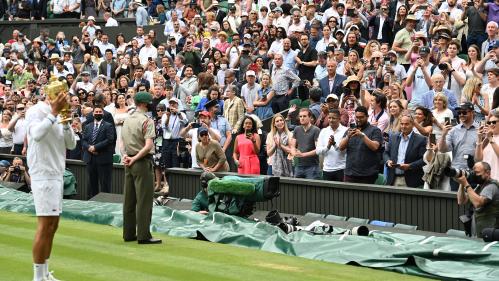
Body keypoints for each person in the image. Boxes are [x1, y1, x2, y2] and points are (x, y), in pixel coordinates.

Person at [26, 89, 76, 281]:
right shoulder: (35, 111)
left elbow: (71, 145)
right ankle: (37, 277)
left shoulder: (61, 113)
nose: (65, 100)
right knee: (45, 224)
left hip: (57, 173)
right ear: (50, 96)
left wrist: (65, 123)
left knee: (53, 225)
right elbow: (37, 135)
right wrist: (53, 113)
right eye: (61, 96)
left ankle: (45, 274)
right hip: (42, 173)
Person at [121, 91, 161, 244]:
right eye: (150, 102)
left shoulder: (128, 119)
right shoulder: (147, 120)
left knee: (129, 200)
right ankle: (144, 235)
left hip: (128, 162)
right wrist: (135, 158)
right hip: (141, 162)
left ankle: (128, 234)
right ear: (145, 103)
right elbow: (149, 145)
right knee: (144, 201)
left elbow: (121, 142)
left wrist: (126, 156)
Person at [439, 102, 479, 191]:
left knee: (474, 202)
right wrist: (443, 135)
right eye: (459, 113)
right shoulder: (453, 130)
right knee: (456, 202)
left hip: (475, 172)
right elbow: (442, 149)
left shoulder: (479, 129)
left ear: (472, 113)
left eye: (464, 112)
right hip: (457, 172)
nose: (461, 115)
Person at [339, 106, 383, 184]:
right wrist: (348, 137)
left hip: (368, 174)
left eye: (361, 117)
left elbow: (375, 147)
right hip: (350, 173)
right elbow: (341, 147)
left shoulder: (375, 130)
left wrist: (362, 135)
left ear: (367, 116)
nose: (358, 119)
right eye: (357, 117)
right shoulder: (350, 130)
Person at [456, 161, 499, 238]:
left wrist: (466, 184)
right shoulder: (479, 187)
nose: (475, 175)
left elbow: (478, 203)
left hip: (491, 233)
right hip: (480, 231)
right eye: (473, 172)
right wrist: (461, 184)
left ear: (487, 173)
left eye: (477, 173)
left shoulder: (491, 186)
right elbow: (461, 200)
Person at [384, 114, 427, 188]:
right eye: (402, 124)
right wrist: (388, 161)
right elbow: (386, 153)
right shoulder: (393, 137)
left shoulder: (420, 139)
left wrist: (410, 166)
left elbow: (424, 160)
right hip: (393, 179)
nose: (403, 126)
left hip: (411, 180)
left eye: (406, 124)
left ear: (412, 125)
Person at [82, 106, 115, 199]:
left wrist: (95, 147)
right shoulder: (88, 126)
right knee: (92, 185)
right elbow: (83, 140)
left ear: (103, 113)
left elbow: (110, 140)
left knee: (105, 185)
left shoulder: (108, 125)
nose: (98, 113)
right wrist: (89, 148)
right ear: (93, 114)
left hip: (104, 159)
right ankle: (93, 203)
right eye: (96, 111)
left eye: (100, 111)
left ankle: (106, 205)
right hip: (90, 159)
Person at [316, 109, 347, 182]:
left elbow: (345, 151)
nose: (331, 120)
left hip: (342, 168)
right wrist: (328, 147)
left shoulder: (346, 131)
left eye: (334, 118)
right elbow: (318, 151)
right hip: (327, 169)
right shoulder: (324, 131)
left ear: (339, 119)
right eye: (329, 118)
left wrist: (334, 144)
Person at [291, 108, 321, 179]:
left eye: (304, 116)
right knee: (297, 188)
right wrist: (294, 153)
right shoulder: (297, 129)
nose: (302, 118)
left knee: (311, 189)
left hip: (312, 166)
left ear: (310, 117)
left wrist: (303, 154)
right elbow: (292, 146)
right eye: (300, 116)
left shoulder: (316, 130)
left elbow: (318, 150)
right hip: (299, 165)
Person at [475, 112, 499, 181]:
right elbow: (477, 159)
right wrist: (479, 138)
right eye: (489, 122)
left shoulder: (490, 138)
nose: (491, 125)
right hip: (486, 179)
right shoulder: (487, 139)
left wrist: (490, 138)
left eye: (494, 122)